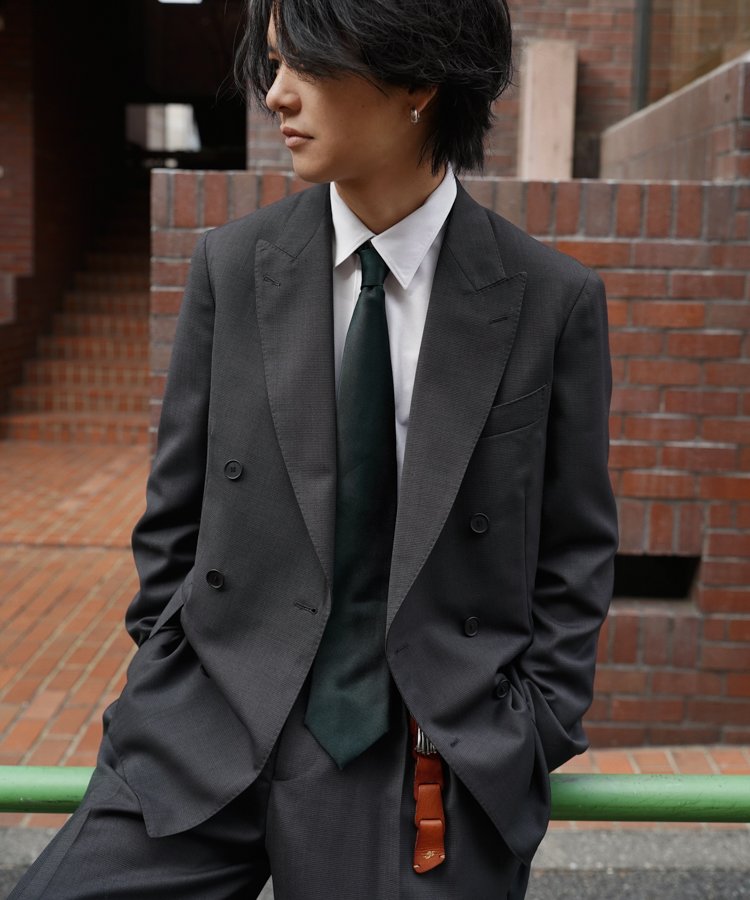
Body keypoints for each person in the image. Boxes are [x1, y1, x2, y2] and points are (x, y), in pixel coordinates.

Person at [10, 0, 618, 897]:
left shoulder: (549, 299)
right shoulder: (232, 266)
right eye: (273, 64)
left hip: (418, 748)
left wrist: (526, 728)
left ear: (417, 80)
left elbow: (574, 550)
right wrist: (169, 669)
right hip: (210, 719)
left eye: (306, 64)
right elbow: (174, 518)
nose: (276, 96)